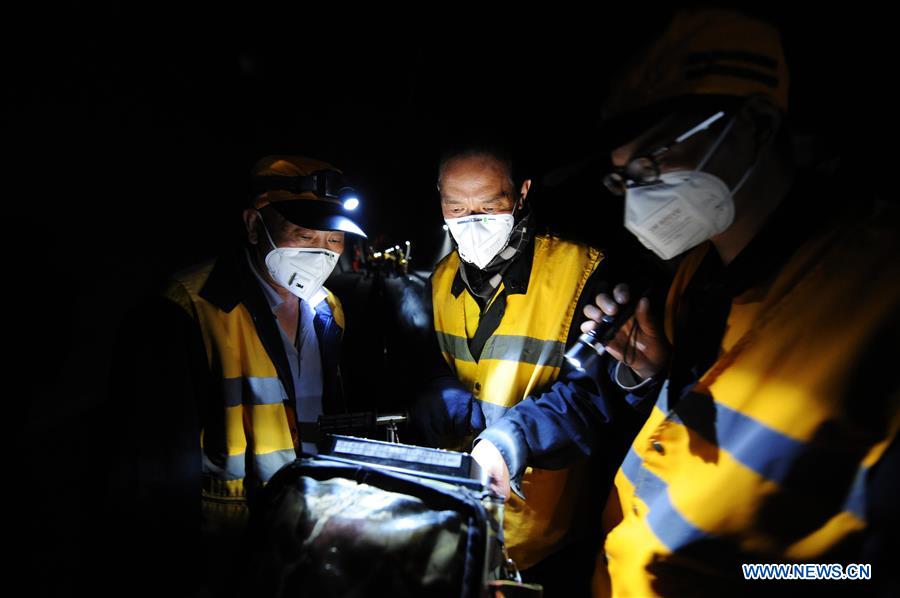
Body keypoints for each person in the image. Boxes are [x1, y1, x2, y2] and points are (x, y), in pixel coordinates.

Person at [468, 9, 900, 596]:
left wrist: (747, 577)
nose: (638, 194)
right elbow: (598, 400)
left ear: (753, 125)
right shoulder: (690, 277)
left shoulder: (873, 298)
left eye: (655, 160)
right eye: (624, 177)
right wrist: (514, 438)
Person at [110, 155, 367, 595]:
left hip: (309, 533)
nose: (320, 252)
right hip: (224, 547)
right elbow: (155, 470)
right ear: (253, 225)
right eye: (304, 234)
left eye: (334, 239)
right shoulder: (188, 308)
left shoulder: (330, 310)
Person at [412, 141, 645, 594]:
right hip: (456, 523)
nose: (473, 220)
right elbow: (432, 360)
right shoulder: (439, 279)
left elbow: (595, 395)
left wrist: (513, 438)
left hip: (545, 538)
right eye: (457, 207)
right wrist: (438, 387)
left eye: (490, 205)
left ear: (521, 194)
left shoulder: (583, 270)